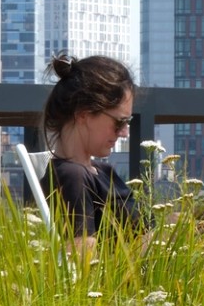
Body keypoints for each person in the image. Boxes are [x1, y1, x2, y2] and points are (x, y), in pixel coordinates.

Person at [38, 53, 141, 236]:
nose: (125, 132)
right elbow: (82, 257)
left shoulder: (104, 172)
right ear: (84, 115)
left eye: (128, 122)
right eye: (119, 122)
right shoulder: (72, 177)